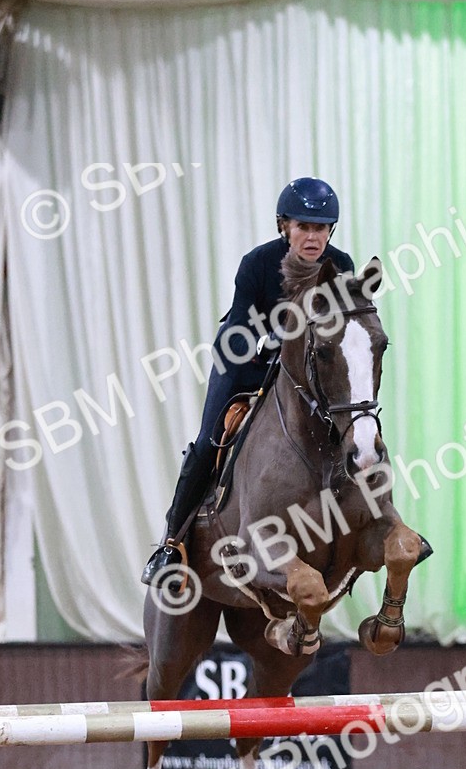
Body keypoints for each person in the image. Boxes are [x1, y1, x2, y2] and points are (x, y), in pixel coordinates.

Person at [142, 177, 355, 587]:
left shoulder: (341, 266)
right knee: (208, 441)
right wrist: (266, 344)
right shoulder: (258, 263)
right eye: (303, 227)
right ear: (283, 226)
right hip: (249, 365)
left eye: (321, 228)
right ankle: (171, 544)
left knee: (353, 426)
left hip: (306, 373)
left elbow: (342, 329)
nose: (313, 237)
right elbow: (238, 326)